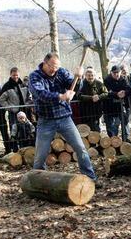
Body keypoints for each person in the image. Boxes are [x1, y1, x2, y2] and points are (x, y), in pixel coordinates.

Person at [28, 52, 98, 183]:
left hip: (64, 118)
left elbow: (76, 86)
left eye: (56, 67)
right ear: (44, 63)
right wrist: (61, 96)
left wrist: (79, 77)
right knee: (40, 155)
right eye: (51, 66)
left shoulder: (61, 72)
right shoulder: (35, 76)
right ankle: (37, 183)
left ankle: (90, 179)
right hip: (46, 120)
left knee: (80, 148)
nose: (54, 70)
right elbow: (40, 94)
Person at [0, 67, 32, 152]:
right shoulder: (7, 86)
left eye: (17, 75)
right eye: (14, 75)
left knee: (26, 129)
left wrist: (28, 104)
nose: (15, 77)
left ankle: (27, 149)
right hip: (14, 113)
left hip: (24, 112)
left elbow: (29, 97)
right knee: (14, 131)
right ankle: (15, 149)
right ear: (10, 74)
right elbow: (1, 100)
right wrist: (10, 108)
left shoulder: (23, 85)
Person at [103, 65, 131, 140]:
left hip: (122, 106)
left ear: (120, 72)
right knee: (113, 127)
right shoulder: (107, 80)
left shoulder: (124, 79)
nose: (116, 74)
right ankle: (114, 142)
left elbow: (129, 89)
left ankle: (126, 141)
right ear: (111, 73)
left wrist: (124, 92)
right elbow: (107, 92)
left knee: (125, 123)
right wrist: (116, 94)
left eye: (118, 72)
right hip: (110, 107)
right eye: (114, 73)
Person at [78, 66, 108, 131]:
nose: (90, 77)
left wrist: (99, 97)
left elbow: (106, 93)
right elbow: (78, 95)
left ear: (95, 75)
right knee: (85, 129)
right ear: (85, 75)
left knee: (96, 129)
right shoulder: (81, 84)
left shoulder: (99, 83)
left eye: (92, 75)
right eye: (88, 75)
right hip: (85, 110)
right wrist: (91, 98)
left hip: (96, 110)